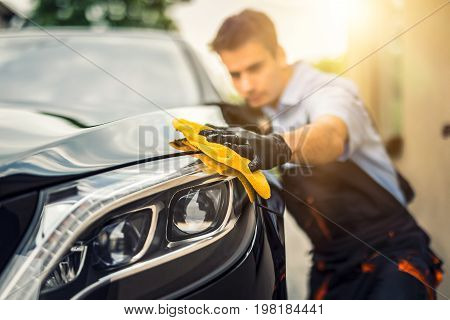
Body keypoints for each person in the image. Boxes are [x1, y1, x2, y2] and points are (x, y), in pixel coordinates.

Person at [201, 9, 443, 299]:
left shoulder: (329, 90)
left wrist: (276, 146)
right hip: (330, 265)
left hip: (390, 254)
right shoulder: (262, 111)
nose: (245, 85)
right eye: (235, 74)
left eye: (254, 68)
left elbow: (330, 135)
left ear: (279, 54)